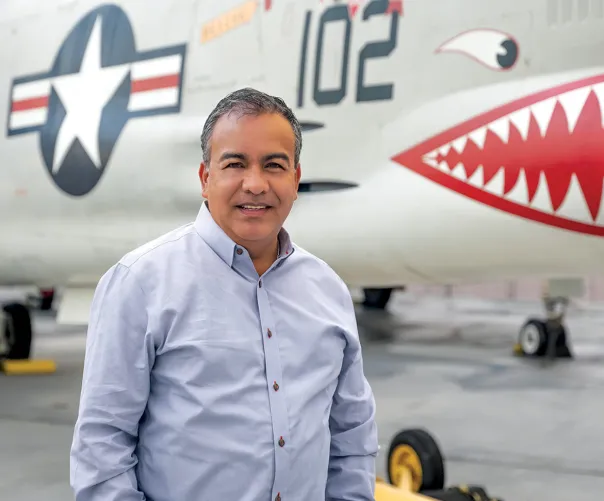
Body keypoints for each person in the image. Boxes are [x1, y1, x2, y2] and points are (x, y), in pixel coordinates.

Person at [70, 88, 379, 501]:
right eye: (235, 164)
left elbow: (352, 434)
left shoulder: (328, 291)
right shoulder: (141, 283)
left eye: (274, 165)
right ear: (205, 178)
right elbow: (102, 446)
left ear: (295, 178)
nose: (255, 184)